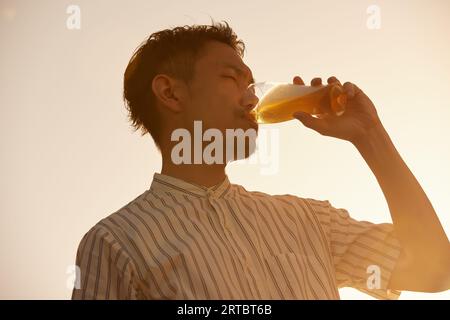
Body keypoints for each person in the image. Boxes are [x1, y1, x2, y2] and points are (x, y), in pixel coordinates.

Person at [71, 21, 450, 300]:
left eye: (252, 84)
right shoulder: (115, 242)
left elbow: (435, 269)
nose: (253, 99)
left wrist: (371, 137)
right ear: (170, 92)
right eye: (231, 78)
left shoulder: (308, 220)